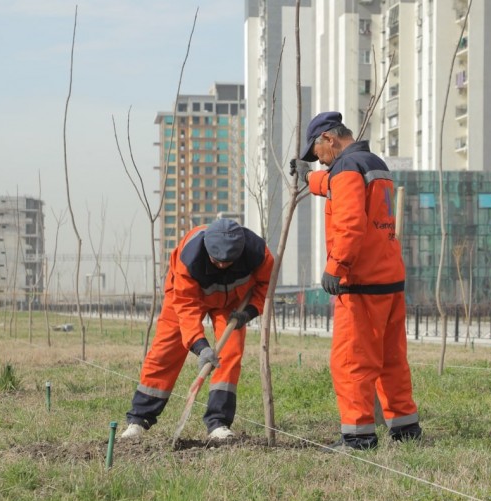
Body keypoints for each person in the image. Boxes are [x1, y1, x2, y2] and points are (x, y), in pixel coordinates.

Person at [291, 111, 421, 450]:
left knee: (351, 361)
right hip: (389, 278)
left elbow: (350, 223)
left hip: (360, 281)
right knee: (392, 359)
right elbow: (334, 184)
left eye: (317, 153)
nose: (317, 160)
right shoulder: (372, 164)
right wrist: (310, 179)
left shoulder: (346, 170)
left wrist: (335, 267)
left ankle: (358, 436)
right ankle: (405, 429)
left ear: (329, 140)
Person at [120, 218, 274, 440]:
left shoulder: (257, 253)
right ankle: (139, 419)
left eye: (227, 261)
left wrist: (248, 312)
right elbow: (186, 307)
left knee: (229, 353)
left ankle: (218, 423)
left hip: (232, 305)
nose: (221, 265)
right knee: (165, 351)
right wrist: (200, 346)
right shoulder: (189, 259)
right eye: (216, 260)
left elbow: (266, 284)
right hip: (186, 299)